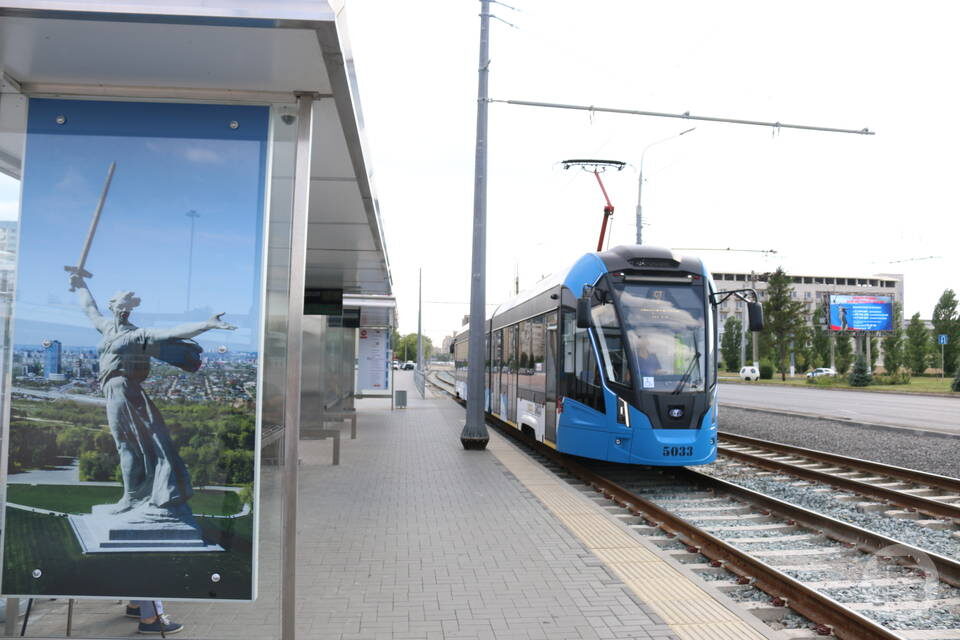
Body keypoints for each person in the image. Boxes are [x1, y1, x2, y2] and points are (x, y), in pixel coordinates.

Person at [70, 274, 236, 514]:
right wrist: (80, 284)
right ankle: (135, 494)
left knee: (125, 444)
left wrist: (207, 324)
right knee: (127, 445)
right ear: (112, 306)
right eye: (121, 306)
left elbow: (174, 332)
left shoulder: (137, 334)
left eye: (128, 308)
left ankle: (130, 497)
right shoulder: (106, 327)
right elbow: (89, 308)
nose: (125, 311)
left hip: (124, 390)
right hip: (113, 390)